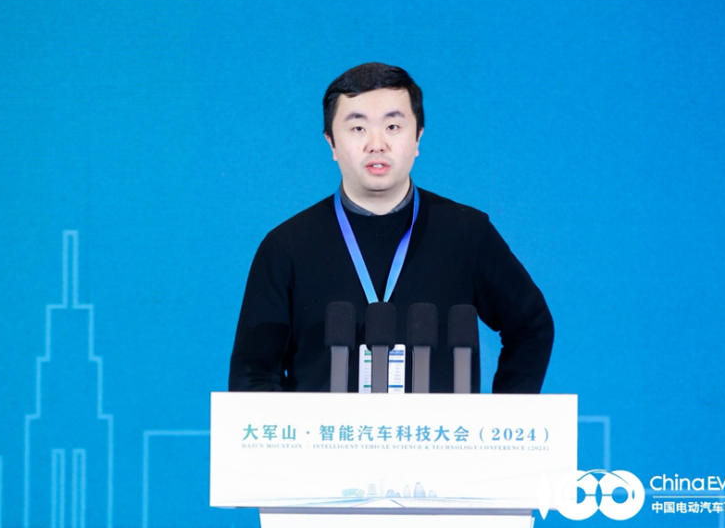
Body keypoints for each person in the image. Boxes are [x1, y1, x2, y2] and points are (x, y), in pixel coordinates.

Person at [229, 62, 553, 393]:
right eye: (358, 128)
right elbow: (252, 372)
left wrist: (503, 416)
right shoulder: (287, 246)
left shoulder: (467, 233)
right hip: (327, 428)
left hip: (439, 428)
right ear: (331, 143)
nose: (377, 144)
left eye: (393, 126)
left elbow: (532, 326)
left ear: (418, 137)